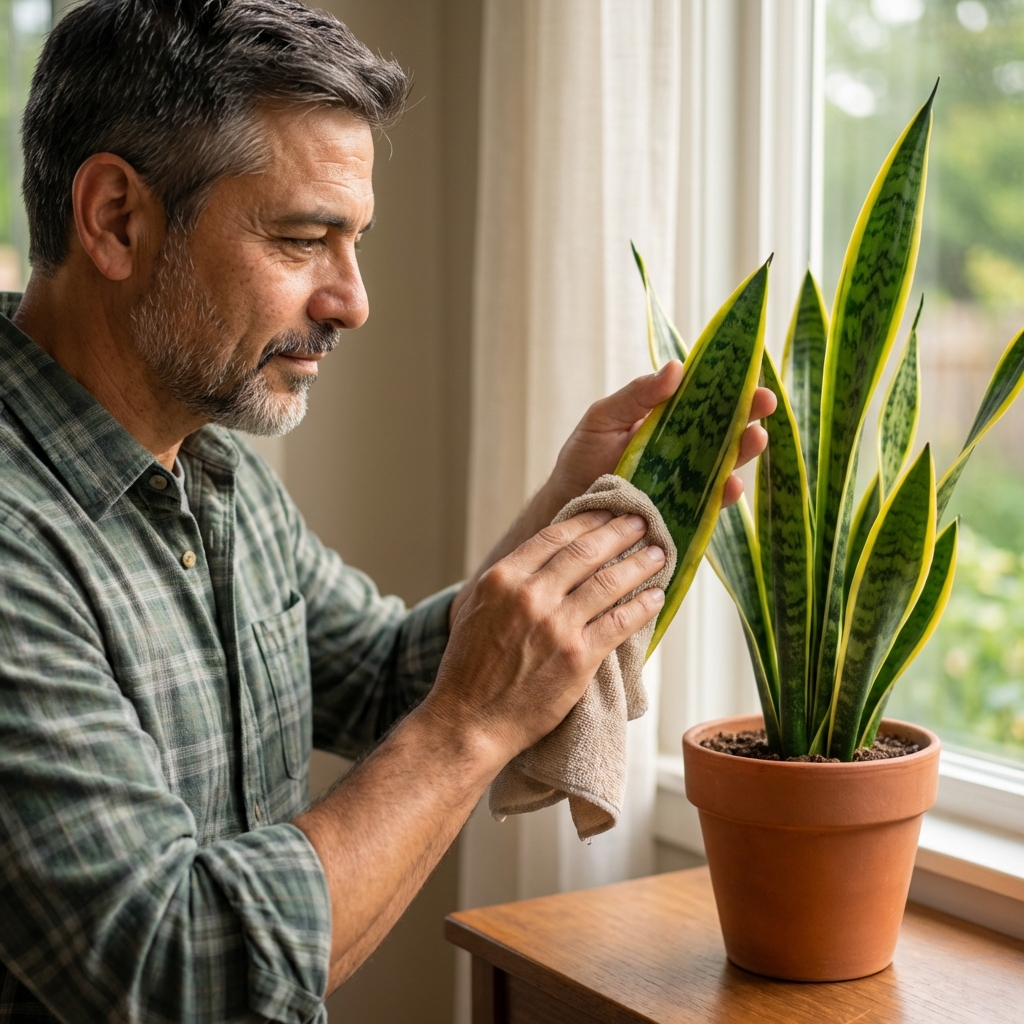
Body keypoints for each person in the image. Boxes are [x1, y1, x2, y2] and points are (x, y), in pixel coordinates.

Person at [0, 0, 774, 1020]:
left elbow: (382, 674)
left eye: (353, 240)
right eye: (303, 237)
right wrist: (471, 727)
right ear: (115, 219)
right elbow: (181, 970)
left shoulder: (213, 472)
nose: (352, 299)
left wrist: (562, 511)